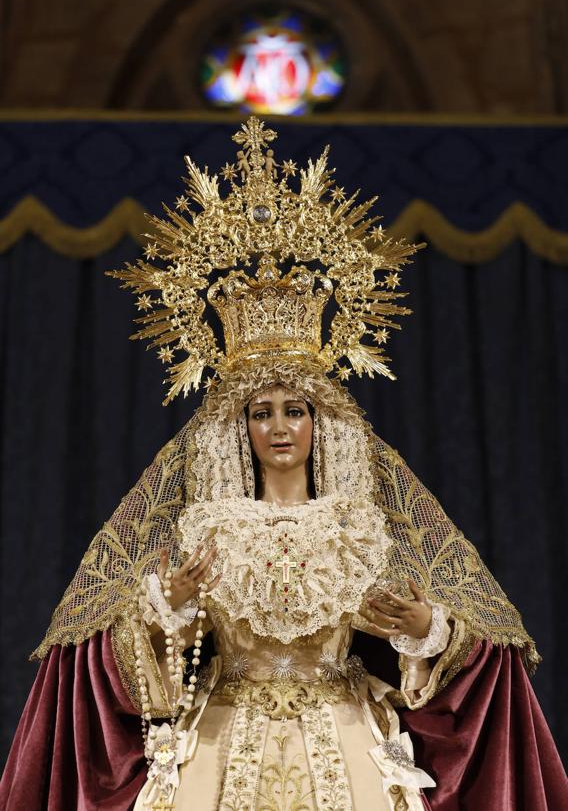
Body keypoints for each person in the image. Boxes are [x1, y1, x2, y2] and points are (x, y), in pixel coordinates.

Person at [1, 118, 566, 810]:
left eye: (294, 409)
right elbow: (131, 656)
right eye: (260, 412)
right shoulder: (206, 529)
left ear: (319, 423)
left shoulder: (359, 528)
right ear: (238, 427)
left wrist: (426, 629)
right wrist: (165, 609)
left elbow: (446, 637)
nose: (277, 427)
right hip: (221, 738)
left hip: (346, 736)